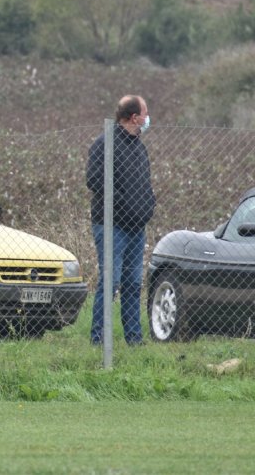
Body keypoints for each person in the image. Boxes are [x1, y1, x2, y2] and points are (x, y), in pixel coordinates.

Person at [86, 94, 155, 346]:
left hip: (137, 228)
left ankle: (134, 340)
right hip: (111, 226)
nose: (148, 118)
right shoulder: (105, 143)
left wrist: (148, 204)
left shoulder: (138, 145)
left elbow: (145, 184)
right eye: (145, 113)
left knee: (133, 283)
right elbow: (94, 181)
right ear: (134, 117)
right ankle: (99, 339)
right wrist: (124, 204)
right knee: (111, 282)